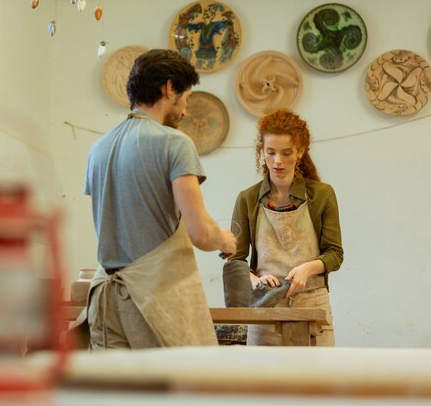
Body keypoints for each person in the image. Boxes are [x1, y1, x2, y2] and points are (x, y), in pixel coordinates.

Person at [80, 49, 237, 350]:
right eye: (187, 98)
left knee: (114, 396)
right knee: (167, 394)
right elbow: (200, 232)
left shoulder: (98, 149)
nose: (185, 111)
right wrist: (225, 241)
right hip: (151, 303)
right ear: (169, 88)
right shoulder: (174, 143)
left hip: (104, 300)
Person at [223, 109, 343, 346]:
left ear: (299, 152)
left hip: (313, 304)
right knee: (265, 381)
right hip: (266, 306)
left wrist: (308, 268)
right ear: (262, 152)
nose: (277, 161)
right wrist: (256, 281)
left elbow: (335, 254)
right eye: (271, 152)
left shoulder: (321, 194)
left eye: (286, 153)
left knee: (316, 381)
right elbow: (234, 261)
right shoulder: (247, 199)